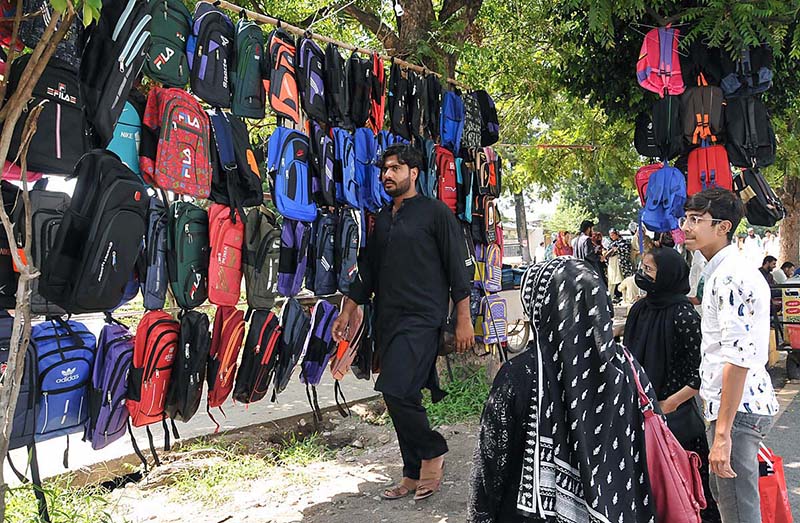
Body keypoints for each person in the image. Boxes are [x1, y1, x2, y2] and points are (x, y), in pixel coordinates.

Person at [332, 144, 474, 502]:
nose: (387, 175)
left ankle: (433, 450)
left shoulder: (436, 213)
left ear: (414, 173)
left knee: (393, 389)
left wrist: (463, 318)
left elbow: (458, 268)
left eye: (396, 168)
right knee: (401, 397)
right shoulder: (382, 219)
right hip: (389, 320)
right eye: (384, 169)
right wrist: (348, 311)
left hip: (423, 318)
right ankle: (411, 473)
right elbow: (367, 272)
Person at [468, 257, 656, 523]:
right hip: (617, 508)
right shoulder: (624, 365)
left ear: (538, 306)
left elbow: (492, 462)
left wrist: (481, 517)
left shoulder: (520, 374)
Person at [681, 188, 779, 523]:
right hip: (733, 408)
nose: (687, 226)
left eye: (697, 219)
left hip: (737, 410)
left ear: (723, 227)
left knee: (739, 512)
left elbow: (738, 357)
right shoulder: (721, 270)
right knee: (731, 506)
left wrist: (722, 434)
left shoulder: (732, 275)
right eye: (686, 218)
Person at [624, 247, 721, 522]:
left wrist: (671, 403)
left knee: (685, 487)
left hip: (676, 420)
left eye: (649, 270)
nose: (642, 275)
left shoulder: (684, 316)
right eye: (642, 268)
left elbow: (703, 371)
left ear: (667, 276)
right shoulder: (639, 309)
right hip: (642, 414)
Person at [606, 228, 634, 301]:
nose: (611, 237)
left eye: (612, 235)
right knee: (612, 282)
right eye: (610, 235)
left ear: (616, 234)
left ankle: (628, 298)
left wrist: (618, 249)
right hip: (613, 264)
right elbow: (608, 252)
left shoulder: (625, 242)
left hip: (623, 264)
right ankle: (610, 297)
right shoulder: (611, 243)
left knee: (626, 280)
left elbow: (627, 250)